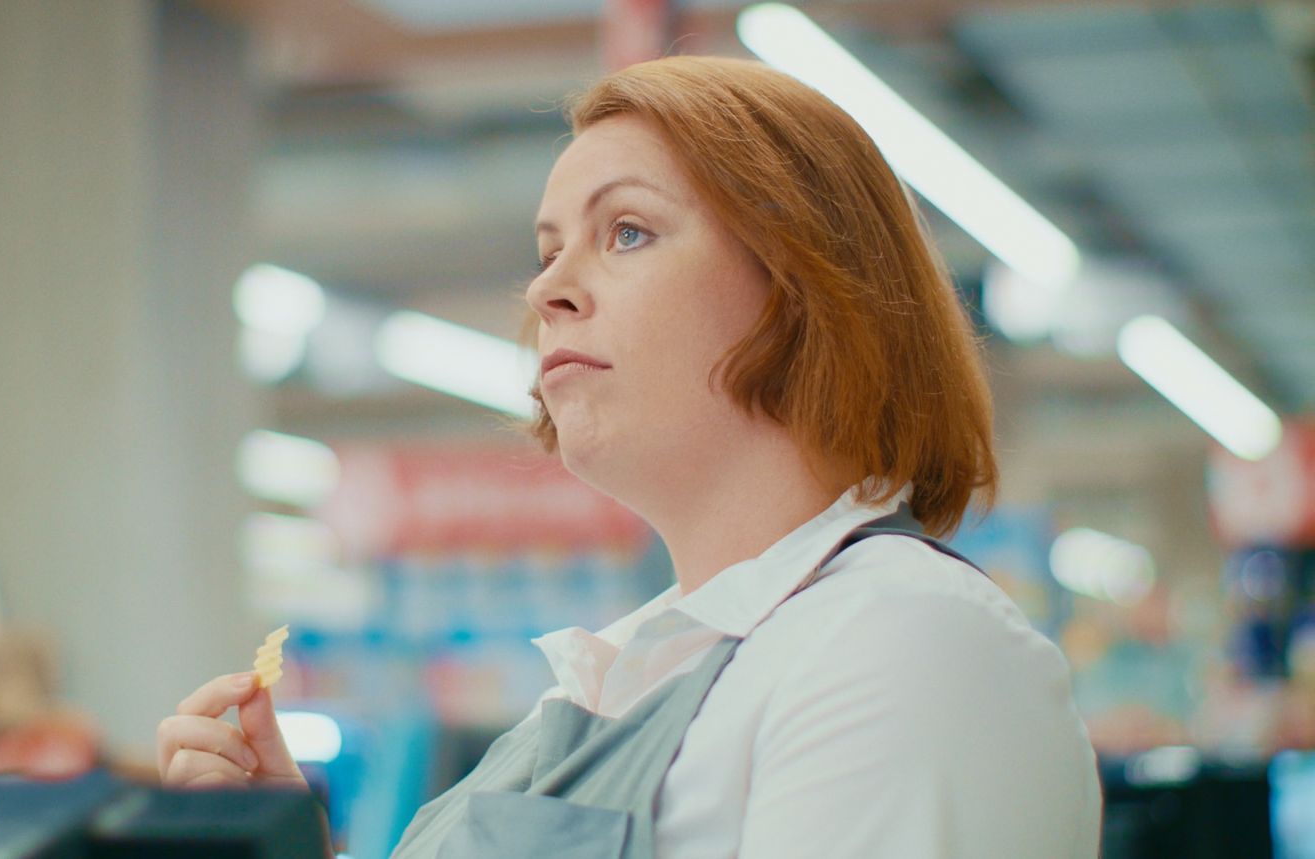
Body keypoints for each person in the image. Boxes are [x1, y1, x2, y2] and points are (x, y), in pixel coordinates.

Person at [156, 55, 1102, 858]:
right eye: (549, 248)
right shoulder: (608, 682)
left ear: (805, 283)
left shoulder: (907, 646)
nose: (548, 287)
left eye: (629, 231)